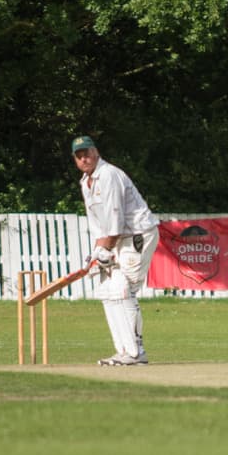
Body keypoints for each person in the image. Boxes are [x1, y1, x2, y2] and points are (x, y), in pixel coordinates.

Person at [71, 136, 160, 366]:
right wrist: (95, 254)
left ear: (96, 152)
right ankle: (123, 351)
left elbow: (115, 220)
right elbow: (99, 225)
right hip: (119, 238)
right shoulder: (86, 182)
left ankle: (136, 353)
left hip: (137, 234)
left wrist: (104, 250)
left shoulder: (109, 175)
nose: (84, 158)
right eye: (79, 156)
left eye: (87, 153)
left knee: (124, 289)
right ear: (75, 160)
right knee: (108, 291)